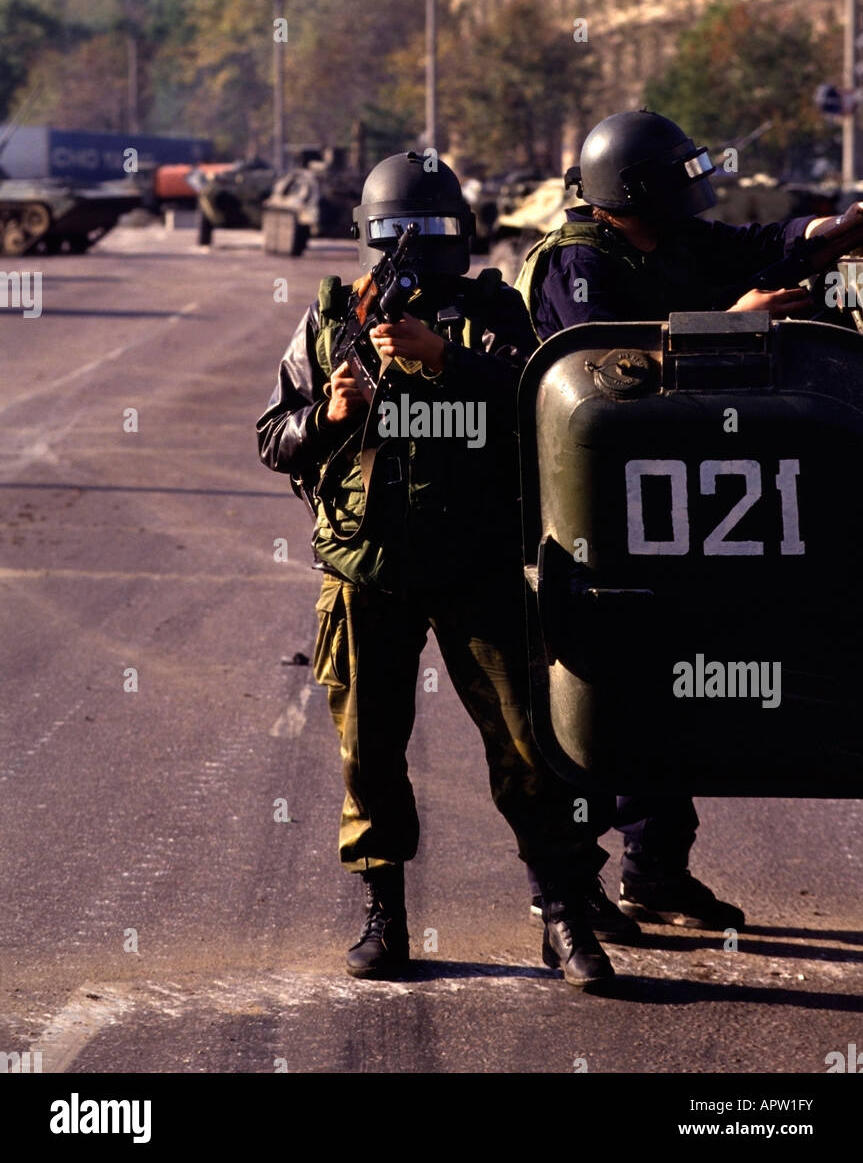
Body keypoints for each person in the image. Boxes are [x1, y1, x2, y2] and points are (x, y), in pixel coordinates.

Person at [256, 151, 628, 990]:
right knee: (369, 754)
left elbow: (550, 402)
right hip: (363, 569)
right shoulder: (330, 320)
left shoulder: (494, 315)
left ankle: (563, 913)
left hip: (480, 566)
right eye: (394, 239)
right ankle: (384, 916)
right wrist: (330, 412)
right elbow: (272, 436)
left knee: (533, 749)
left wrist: (443, 362)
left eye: (425, 238)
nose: (408, 258)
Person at [517, 109, 863, 930]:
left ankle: (655, 874)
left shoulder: (669, 238)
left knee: (669, 691)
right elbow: (601, 373)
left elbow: (756, 243)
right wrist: (739, 318)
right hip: (592, 514)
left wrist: (837, 228)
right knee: (597, 704)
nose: (692, 201)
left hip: (677, 503)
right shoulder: (577, 264)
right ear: (625, 195)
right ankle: (570, 889)